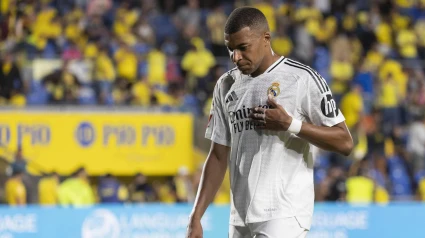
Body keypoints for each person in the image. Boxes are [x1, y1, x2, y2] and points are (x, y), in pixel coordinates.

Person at [186, 7, 353, 238]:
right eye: (230, 49)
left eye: (243, 48)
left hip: (284, 213)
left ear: (266, 39)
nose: (235, 57)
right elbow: (217, 154)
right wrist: (196, 216)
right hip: (240, 216)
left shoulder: (301, 79)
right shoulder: (225, 85)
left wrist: (290, 124)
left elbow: (344, 142)